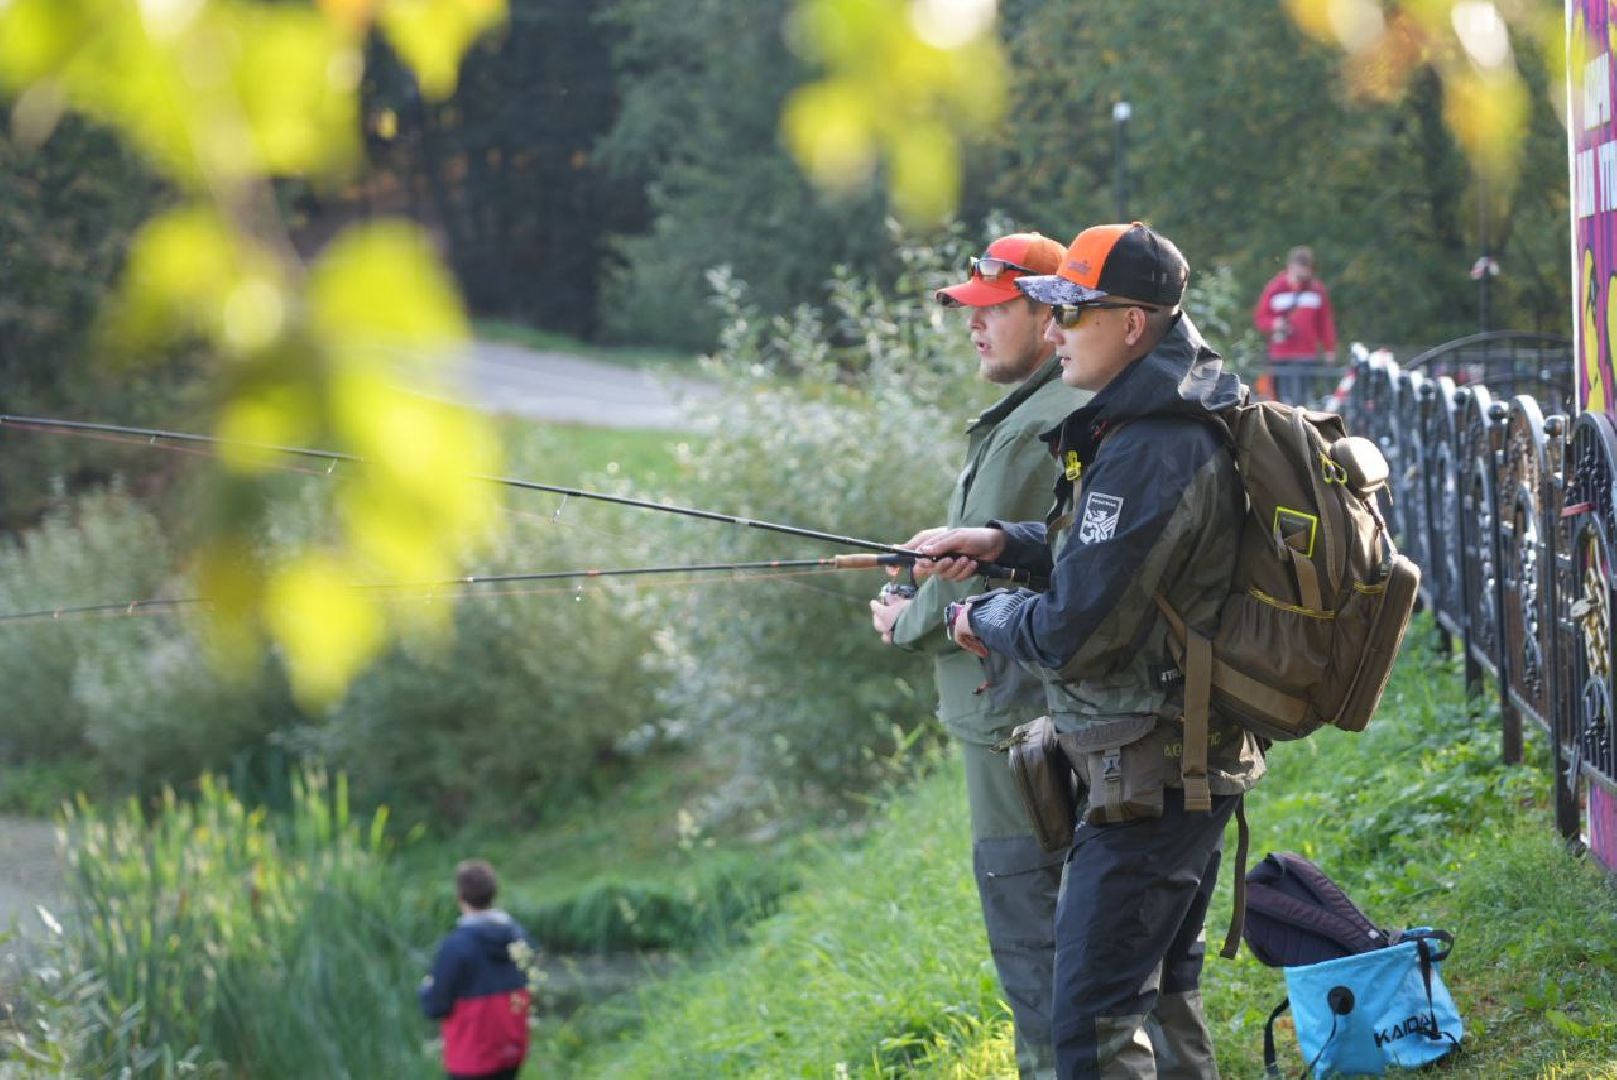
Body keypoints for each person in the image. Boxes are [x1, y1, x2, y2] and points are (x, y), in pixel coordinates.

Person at [917, 222, 1267, 1079]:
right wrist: (1008, 543)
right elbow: (1123, 567)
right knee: (1154, 994)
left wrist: (981, 619)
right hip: (1178, 761)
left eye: (1073, 314)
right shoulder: (1168, 410)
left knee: (1090, 1030)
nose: (1057, 330)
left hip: (1150, 779)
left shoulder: (1153, 443)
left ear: (1132, 324)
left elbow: (1073, 629)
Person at [869, 230, 1085, 1079]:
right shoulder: (1042, 407)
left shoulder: (1033, 420)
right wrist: (917, 583)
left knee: (1030, 927)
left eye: (994, 311)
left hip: (1010, 715)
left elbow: (970, 588)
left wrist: (902, 620)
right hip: (1028, 700)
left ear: (1047, 312)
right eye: (972, 313)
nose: (974, 328)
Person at [419, 859, 534, 1080]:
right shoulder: (519, 936)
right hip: (511, 1051)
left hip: (470, 1059)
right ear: (494, 894)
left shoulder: (455, 945)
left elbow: (436, 1007)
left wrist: (427, 989)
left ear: (460, 897)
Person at [1252, 246, 1337, 406]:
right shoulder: (1275, 288)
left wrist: (1329, 348)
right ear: (1291, 266)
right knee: (1282, 401)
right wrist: (1275, 324)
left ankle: (1298, 429)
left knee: (1301, 400)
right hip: (1280, 355)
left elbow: (1325, 322)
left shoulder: (1316, 290)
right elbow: (1260, 318)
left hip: (1306, 354)